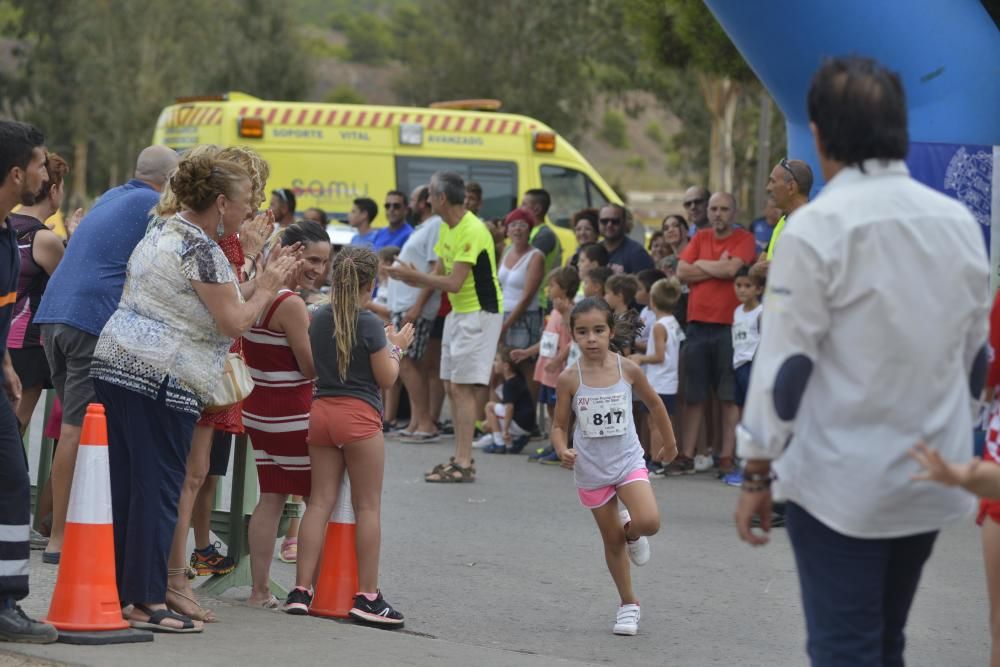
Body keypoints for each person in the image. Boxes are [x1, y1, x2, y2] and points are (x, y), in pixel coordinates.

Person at [733, 56, 990, 667]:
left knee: (844, 648)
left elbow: (784, 368)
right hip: (930, 472)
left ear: (819, 134)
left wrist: (757, 472)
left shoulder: (817, 227)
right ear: (899, 128)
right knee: (884, 640)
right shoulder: (957, 223)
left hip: (840, 482)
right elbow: (976, 360)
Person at [90, 152, 298, 633]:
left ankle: (124, 593)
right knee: (159, 488)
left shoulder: (163, 230)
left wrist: (253, 284)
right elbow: (233, 319)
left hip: (117, 364)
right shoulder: (202, 248)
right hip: (163, 377)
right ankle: (144, 601)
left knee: (128, 486)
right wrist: (267, 287)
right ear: (221, 202)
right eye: (246, 202)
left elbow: (216, 295)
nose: (251, 211)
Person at [35, 144, 180, 565]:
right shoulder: (155, 206)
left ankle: (62, 523)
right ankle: (59, 537)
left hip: (55, 316)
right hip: (89, 320)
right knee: (79, 429)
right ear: (170, 181)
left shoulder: (113, 195)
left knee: (78, 424)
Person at [152, 145, 273, 622]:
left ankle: (174, 570)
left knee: (195, 475)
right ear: (224, 199)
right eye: (251, 193)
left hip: (203, 360)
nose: (255, 205)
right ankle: (172, 575)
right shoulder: (211, 238)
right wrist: (256, 259)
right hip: (201, 361)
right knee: (191, 476)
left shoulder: (191, 231)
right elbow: (225, 301)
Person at [284, 246, 413, 627]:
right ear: (369, 284)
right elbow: (386, 378)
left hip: (321, 413)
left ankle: (301, 590)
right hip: (358, 417)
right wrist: (397, 348)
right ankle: (368, 596)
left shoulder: (318, 318)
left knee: (319, 502)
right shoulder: (369, 322)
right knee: (368, 506)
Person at [550, 297, 676, 636]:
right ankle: (628, 604)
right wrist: (562, 449)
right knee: (612, 541)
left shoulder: (627, 369)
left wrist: (670, 442)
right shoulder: (568, 379)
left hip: (627, 461)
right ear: (573, 335)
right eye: (582, 332)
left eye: (598, 330)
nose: (591, 338)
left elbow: (654, 402)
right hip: (591, 470)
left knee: (649, 522)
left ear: (610, 331)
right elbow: (560, 425)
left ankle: (632, 531)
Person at [387, 172, 503, 483]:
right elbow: (439, 268)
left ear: (440, 199)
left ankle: (464, 462)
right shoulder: (447, 227)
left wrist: (415, 278)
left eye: (430, 196)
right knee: (452, 386)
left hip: (479, 313)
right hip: (459, 313)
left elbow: (452, 281)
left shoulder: (471, 229)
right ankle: (460, 458)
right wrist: (413, 275)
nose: (425, 202)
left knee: (461, 388)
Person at [243, 221, 329, 608]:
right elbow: (310, 368)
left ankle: (259, 591)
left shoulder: (257, 292)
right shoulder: (290, 304)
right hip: (293, 412)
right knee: (318, 501)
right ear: (290, 252)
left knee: (271, 498)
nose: (319, 269)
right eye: (312, 259)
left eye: (325, 262)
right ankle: (308, 590)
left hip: (259, 410)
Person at [0, 120, 58, 644]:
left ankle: (5, 602)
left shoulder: (5, 234)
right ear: (17, 173)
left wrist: (7, 365)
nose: (47, 172)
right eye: (41, 163)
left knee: (13, 481)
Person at [668, 192, 755, 476]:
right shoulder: (701, 237)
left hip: (729, 327)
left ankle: (726, 456)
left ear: (734, 212)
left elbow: (734, 269)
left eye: (724, 209)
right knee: (695, 393)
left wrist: (701, 266)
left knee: (728, 395)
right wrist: (716, 267)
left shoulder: (744, 239)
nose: (718, 213)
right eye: (714, 208)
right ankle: (688, 454)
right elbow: (681, 270)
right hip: (697, 324)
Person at [8, 154, 67, 433]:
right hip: (25, 346)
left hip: (3, 338)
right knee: (14, 426)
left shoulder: (7, 223)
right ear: (53, 191)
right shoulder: (44, 239)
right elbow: (66, 288)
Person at [388, 189, 443, 443]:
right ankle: (415, 421)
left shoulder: (435, 225)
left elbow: (435, 268)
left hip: (414, 305)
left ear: (424, 202)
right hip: (404, 303)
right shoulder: (423, 227)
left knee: (409, 363)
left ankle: (425, 422)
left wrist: (418, 306)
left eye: (412, 199)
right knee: (409, 364)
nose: (409, 203)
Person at [514, 267, 580, 463]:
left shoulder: (570, 310)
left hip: (559, 369)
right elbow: (548, 338)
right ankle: (555, 444)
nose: (548, 289)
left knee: (561, 410)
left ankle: (564, 446)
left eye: (552, 285)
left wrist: (559, 360)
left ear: (565, 288)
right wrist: (528, 352)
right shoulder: (554, 310)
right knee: (552, 409)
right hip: (548, 369)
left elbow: (573, 338)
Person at [720, 266, 763, 488]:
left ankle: (749, 467)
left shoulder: (761, 312)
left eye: (748, 286)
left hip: (752, 366)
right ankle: (742, 464)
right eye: (738, 285)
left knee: (751, 417)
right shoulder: (737, 311)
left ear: (759, 288)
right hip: (738, 366)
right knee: (740, 415)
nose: (742, 290)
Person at [498, 208, 545, 356]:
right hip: (502, 315)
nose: (517, 229)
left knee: (523, 364)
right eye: (513, 225)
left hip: (525, 317)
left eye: (523, 225)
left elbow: (526, 297)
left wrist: (505, 326)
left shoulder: (536, 256)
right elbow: (498, 285)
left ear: (530, 230)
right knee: (502, 366)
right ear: (507, 230)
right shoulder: (506, 250)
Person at [474, 347, 537, 454]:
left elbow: (510, 408)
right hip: (527, 424)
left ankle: (499, 443)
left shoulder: (510, 384)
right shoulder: (518, 378)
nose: (494, 363)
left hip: (520, 423)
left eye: (497, 360)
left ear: (506, 366)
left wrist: (505, 431)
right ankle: (513, 442)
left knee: (489, 407)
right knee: (488, 422)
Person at [756, 158, 812, 274]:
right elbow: (760, 264)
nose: (768, 188)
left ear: (791, 187)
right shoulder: (783, 221)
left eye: (773, 181)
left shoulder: (814, 226)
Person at [600, 204, 654, 275]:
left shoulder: (637, 254)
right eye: (604, 221)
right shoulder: (593, 250)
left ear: (624, 223)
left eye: (615, 221)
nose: (609, 225)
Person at [522, 189, 562, 278]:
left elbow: (524, 265)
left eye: (524, 205)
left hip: (538, 291)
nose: (520, 209)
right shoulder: (530, 231)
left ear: (537, 209)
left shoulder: (545, 235)